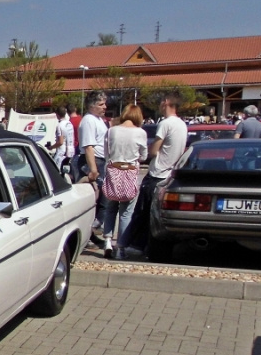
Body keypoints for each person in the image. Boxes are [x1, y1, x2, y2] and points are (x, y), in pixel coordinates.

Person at [118, 92, 187, 257]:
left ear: (167, 101)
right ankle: (148, 247)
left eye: (162, 101)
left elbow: (155, 150)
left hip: (157, 173)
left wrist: (144, 152)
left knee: (141, 213)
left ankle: (133, 246)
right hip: (169, 174)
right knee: (155, 216)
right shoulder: (182, 125)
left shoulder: (165, 124)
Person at [101, 104, 148, 259]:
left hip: (113, 171)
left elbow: (106, 153)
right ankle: (120, 247)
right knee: (126, 212)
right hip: (129, 173)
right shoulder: (140, 133)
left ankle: (107, 241)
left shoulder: (112, 131)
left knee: (110, 208)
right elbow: (144, 156)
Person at [77, 91, 109, 240]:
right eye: (101, 104)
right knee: (96, 200)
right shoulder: (89, 120)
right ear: (91, 106)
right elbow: (89, 146)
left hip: (101, 160)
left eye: (104, 104)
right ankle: (90, 232)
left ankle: (93, 231)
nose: (105, 107)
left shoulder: (99, 120)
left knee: (104, 200)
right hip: (93, 161)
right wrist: (93, 169)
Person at [53, 105, 76, 178]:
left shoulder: (60, 125)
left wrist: (51, 147)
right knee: (67, 174)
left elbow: (60, 142)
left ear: (57, 114)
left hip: (61, 153)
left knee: (57, 173)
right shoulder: (69, 124)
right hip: (71, 152)